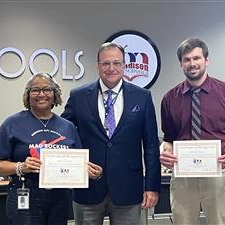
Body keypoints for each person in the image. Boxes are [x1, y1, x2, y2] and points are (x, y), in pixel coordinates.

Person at [160, 38, 225, 225]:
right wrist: (167, 152)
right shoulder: (170, 98)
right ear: (181, 63)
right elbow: (169, 139)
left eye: (196, 58)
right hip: (183, 179)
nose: (192, 63)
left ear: (206, 60)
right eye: (186, 59)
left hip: (220, 176)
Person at [61, 42, 161, 225]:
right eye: (106, 63)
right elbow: (64, 134)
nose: (111, 68)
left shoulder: (142, 96)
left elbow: (151, 145)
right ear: (98, 66)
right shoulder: (78, 95)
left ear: (124, 65)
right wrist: (75, 163)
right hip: (88, 186)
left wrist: (152, 187)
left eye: (116, 63)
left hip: (128, 186)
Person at [0, 73, 102, 225]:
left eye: (47, 89)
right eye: (35, 90)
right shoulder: (12, 123)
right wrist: (21, 167)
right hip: (25, 193)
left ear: (55, 95)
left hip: (60, 197)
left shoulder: (67, 126)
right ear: (28, 95)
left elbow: (78, 163)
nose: (41, 94)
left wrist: (89, 171)